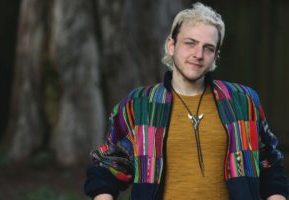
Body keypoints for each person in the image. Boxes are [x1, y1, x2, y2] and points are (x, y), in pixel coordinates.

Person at [84, 2, 289, 200]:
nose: (198, 54)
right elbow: (108, 167)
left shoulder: (242, 101)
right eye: (190, 43)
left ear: (216, 56)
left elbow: (270, 162)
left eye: (208, 48)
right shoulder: (139, 104)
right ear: (171, 45)